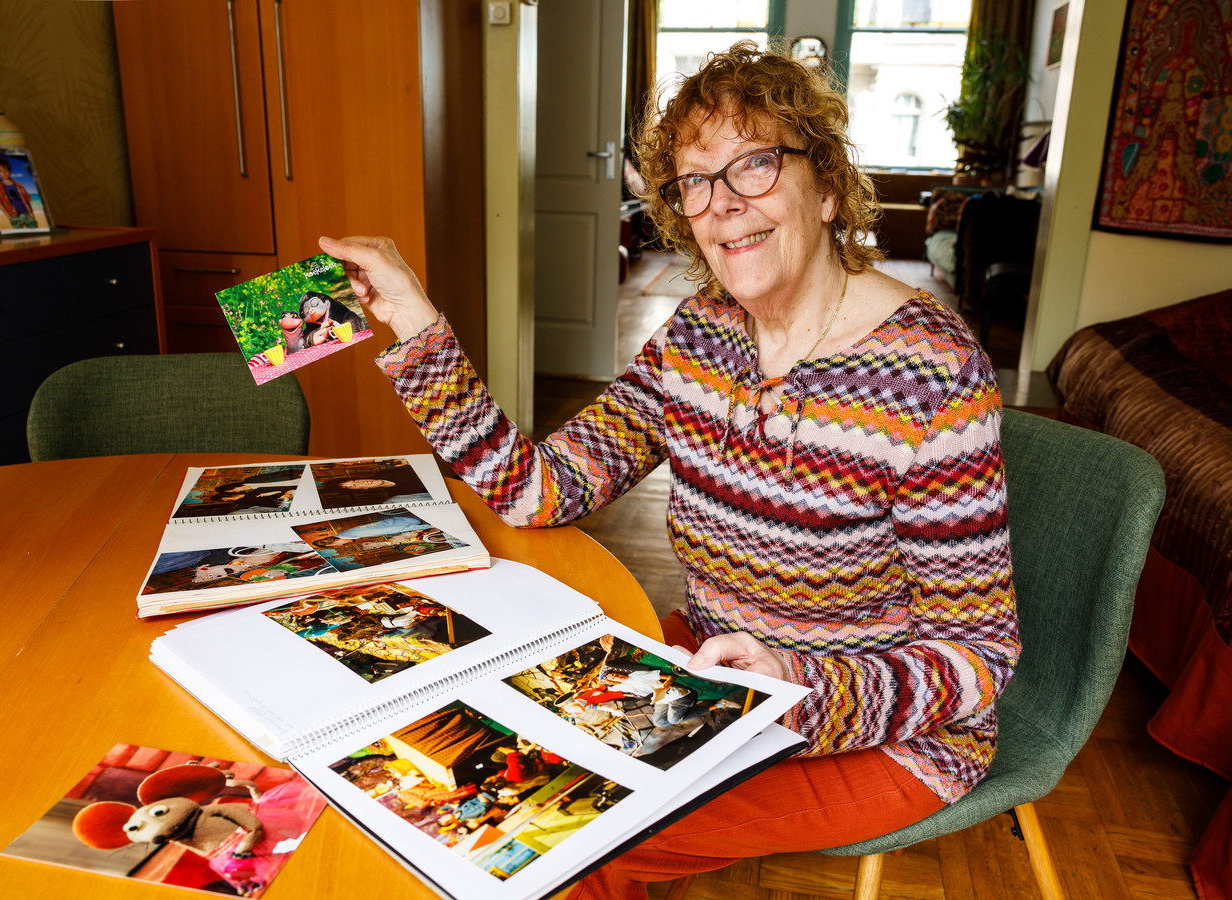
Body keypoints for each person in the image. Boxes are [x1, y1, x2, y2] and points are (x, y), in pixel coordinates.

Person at [320, 40, 1018, 900]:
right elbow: (543, 489)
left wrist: (799, 685)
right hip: (712, 673)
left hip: (885, 735)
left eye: (755, 164)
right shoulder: (700, 333)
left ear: (829, 186)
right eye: (697, 182)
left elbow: (980, 656)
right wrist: (417, 326)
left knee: (564, 841)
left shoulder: (934, 376)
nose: (725, 206)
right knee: (475, 770)